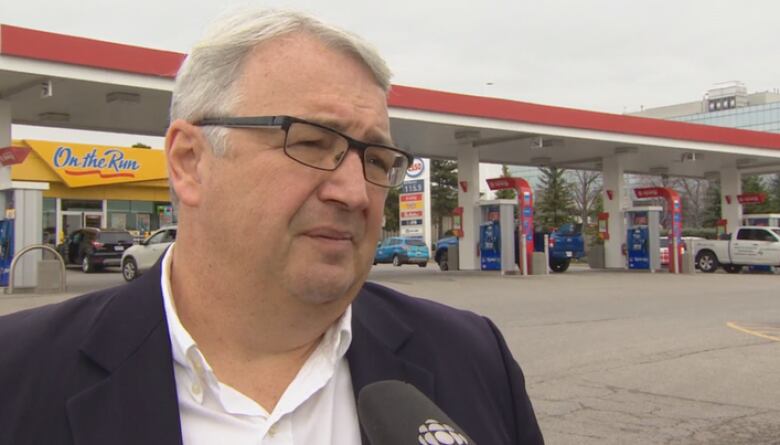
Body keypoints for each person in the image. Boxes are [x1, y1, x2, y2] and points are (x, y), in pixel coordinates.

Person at [0, 8, 543, 445]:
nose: (354, 192)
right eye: (309, 142)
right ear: (190, 161)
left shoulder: (473, 359)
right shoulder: (19, 374)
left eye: (376, 160)